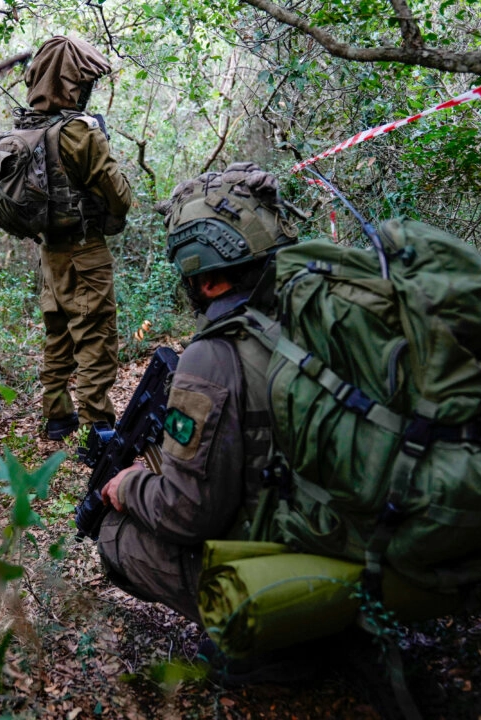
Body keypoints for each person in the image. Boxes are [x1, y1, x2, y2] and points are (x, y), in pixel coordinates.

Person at [95, 163, 297, 657]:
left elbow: (189, 515)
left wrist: (129, 485)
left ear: (204, 280)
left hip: (292, 564)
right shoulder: (313, 314)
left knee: (112, 531)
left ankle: (265, 649)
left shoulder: (213, 355)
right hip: (361, 543)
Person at [18, 36, 133, 440]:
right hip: (86, 250)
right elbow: (119, 195)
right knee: (96, 335)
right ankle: (97, 430)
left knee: (58, 332)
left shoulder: (27, 129)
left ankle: (57, 415)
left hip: (50, 253)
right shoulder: (80, 132)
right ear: (75, 85)